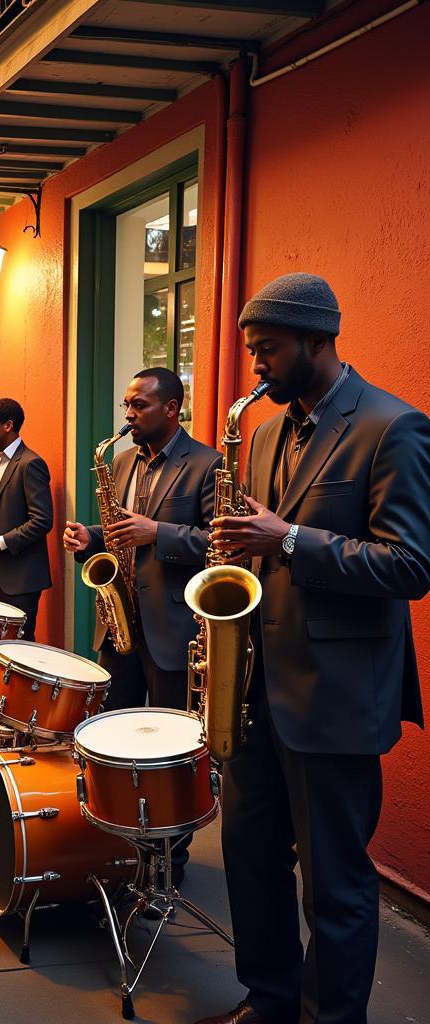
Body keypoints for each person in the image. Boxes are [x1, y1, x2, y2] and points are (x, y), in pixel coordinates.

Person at [194, 274, 430, 1024]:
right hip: (253, 692)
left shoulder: (394, 426)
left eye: (266, 349)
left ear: (317, 341)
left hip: (334, 697)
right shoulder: (262, 433)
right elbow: (253, 546)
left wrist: (290, 539)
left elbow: (410, 566)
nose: (255, 366)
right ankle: (267, 1002)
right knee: (251, 863)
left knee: (334, 885)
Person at [63, 368, 221, 713]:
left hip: (172, 630)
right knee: (110, 727)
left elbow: (220, 546)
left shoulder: (208, 464)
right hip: (118, 628)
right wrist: (89, 537)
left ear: (171, 408)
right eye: (126, 405)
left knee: (169, 733)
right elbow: (120, 529)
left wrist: (158, 533)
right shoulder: (120, 462)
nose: (129, 415)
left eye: (139, 405)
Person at [0, 398, 52, 641]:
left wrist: (0, 543)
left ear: (8, 425)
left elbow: (42, 520)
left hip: (19, 577)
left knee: (18, 647)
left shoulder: (31, 463)